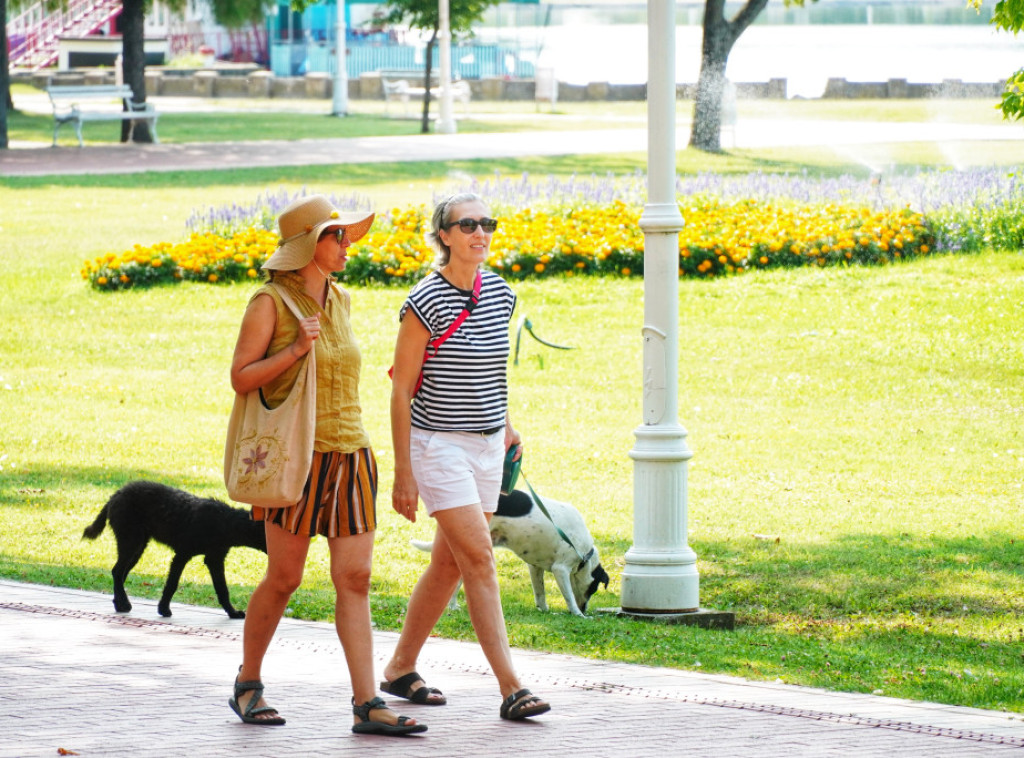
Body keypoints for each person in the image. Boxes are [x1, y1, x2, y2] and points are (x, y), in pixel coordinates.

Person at [227, 194, 426, 736]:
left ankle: (367, 705)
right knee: (285, 577)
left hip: (352, 453)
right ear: (305, 247)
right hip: (297, 459)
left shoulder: (341, 300)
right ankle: (248, 683)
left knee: (356, 578)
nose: (345, 245)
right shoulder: (270, 302)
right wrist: (293, 353)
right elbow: (241, 376)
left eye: (345, 236)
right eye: (334, 237)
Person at [382, 192, 552, 721]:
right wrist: (403, 473)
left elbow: (489, 368)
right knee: (479, 557)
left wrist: (503, 426)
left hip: (484, 446)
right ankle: (512, 686)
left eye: (487, 224)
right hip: (437, 446)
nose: (481, 233)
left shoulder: (501, 293)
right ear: (445, 235)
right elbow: (401, 389)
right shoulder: (424, 301)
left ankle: (399, 668)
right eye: (468, 225)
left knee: (449, 564)